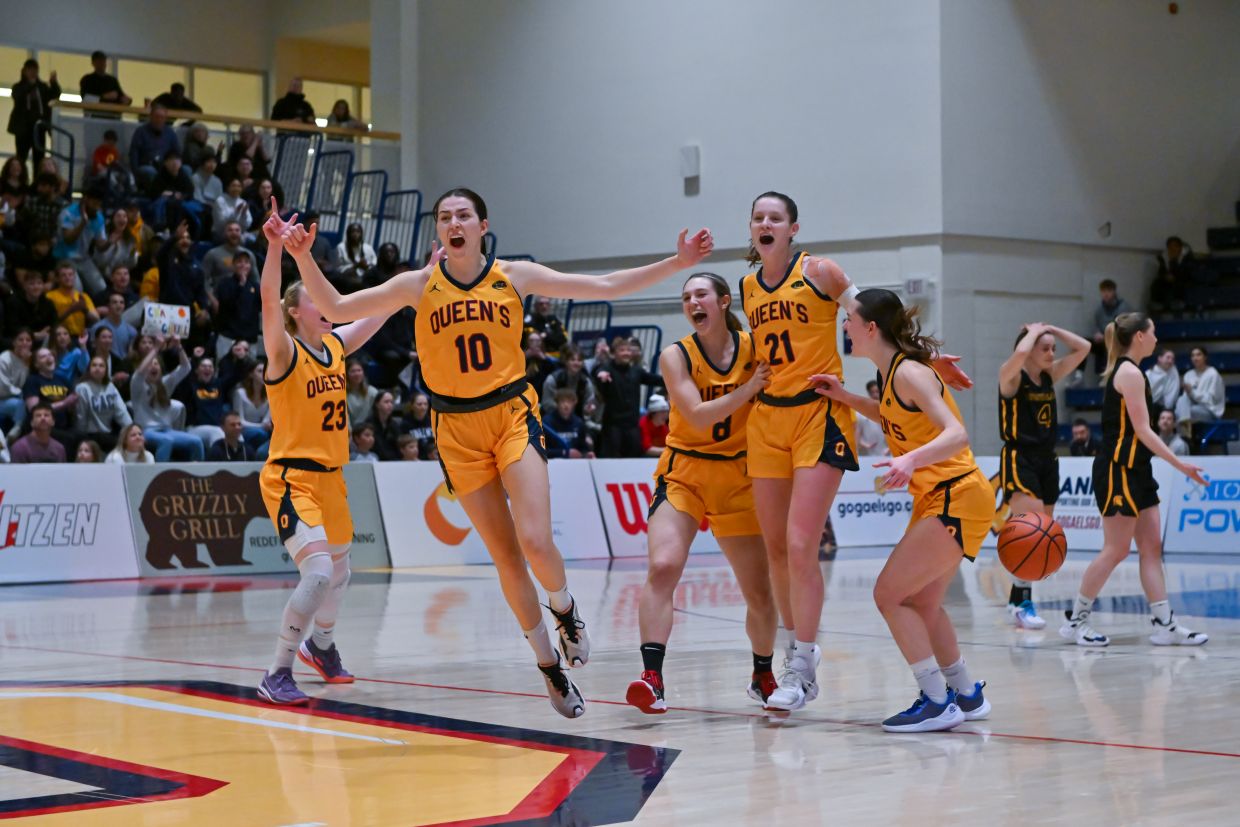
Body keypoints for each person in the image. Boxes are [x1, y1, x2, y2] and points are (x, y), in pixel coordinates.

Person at [286, 186, 714, 718]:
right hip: (455, 430)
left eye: (463, 214)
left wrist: (679, 262)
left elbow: (602, 283)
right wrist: (302, 255)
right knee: (506, 558)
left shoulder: (514, 276)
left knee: (535, 541)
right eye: (444, 217)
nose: (453, 222)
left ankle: (565, 609)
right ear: (438, 231)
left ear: (482, 226)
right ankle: (548, 668)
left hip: (511, 414)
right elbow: (336, 306)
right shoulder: (418, 285)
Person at [739, 192, 969, 713]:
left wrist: (927, 357)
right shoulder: (747, 286)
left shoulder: (821, 272)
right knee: (776, 548)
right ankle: (793, 658)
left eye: (776, 217)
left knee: (802, 544)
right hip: (766, 418)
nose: (766, 223)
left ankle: (802, 667)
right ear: (751, 230)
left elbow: (875, 318)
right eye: (758, 218)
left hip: (817, 413)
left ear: (794, 228)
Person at [812, 288, 992, 732]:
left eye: (849, 319)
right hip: (944, 496)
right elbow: (892, 415)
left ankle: (935, 699)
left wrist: (910, 460)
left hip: (956, 493)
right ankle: (966, 695)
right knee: (924, 604)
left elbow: (957, 435)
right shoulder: (895, 373)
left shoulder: (910, 372)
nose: (844, 326)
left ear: (871, 328)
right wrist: (845, 396)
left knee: (888, 595)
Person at [253, 200, 399, 706]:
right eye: (313, 298)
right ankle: (276, 671)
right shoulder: (285, 351)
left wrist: (421, 278)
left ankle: (323, 647)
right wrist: (276, 250)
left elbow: (377, 315)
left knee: (341, 572)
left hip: (333, 476)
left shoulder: (335, 348)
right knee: (316, 572)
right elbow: (269, 300)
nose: (324, 301)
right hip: (291, 477)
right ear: (298, 312)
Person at [626, 272, 780, 714]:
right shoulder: (675, 355)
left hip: (741, 474)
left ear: (723, 301)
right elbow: (693, 416)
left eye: (701, 294)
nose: (692, 302)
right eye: (686, 297)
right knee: (662, 566)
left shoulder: (756, 345)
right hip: (685, 472)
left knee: (759, 592)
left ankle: (762, 673)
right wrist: (750, 388)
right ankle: (652, 678)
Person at [1060, 312, 1208, 648]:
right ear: (1140, 336)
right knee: (1115, 549)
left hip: (1137, 470)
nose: (1157, 337)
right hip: (1117, 469)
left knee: (1152, 548)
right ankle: (1076, 621)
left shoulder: (1133, 371)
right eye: (1153, 331)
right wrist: (1180, 465)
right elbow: (1143, 431)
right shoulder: (1129, 373)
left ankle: (1165, 625)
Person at [997, 322, 1091, 629]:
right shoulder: (1010, 377)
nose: (1052, 353)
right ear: (1029, 348)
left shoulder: (1049, 376)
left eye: (1053, 349)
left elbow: (1084, 348)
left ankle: (1015, 599)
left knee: (1042, 533)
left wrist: (1052, 329)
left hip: (1048, 459)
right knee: (1032, 528)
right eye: (1045, 348)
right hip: (1019, 456)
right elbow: (1020, 351)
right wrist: (1033, 333)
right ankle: (1024, 603)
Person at [130, 335, 202, 462]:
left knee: (196, 442)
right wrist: (156, 347)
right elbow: (140, 371)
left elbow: (186, 368)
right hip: (146, 430)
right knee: (166, 441)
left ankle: (198, 475)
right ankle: (161, 478)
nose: (153, 366)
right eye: (150, 364)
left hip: (166, 429)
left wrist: (179, 346)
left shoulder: (165, 383)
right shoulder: (137, 384)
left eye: (156, 364)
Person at [593, 336, 663, 457]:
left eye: (628, 350)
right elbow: (598, 373)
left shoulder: (636, 370)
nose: (626, 353)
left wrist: (674, 377)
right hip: (613, 426)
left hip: (632, 425)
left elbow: (654, 379)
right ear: (614, 354)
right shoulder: (607, 368)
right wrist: (601, 376)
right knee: (612, 458)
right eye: (622, 350)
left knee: (634, 456)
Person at [53, 184, 109, 295]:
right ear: (86, 199)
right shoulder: (68, 213)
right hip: (64, 257)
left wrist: (111, 241)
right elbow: (68, 240)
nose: (96, 208)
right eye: (94, 203)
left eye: (99, 204)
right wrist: (83, 223)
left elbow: (100, 245)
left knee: (101, 288)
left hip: (84, 258)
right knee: (77, 289)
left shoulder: (99, 217)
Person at [7, 60, 59, 168]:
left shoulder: (42, 87)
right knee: (21, 157)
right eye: (30, 70)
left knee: (39, 159)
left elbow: (54, 95)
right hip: (23, 129)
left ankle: (37, 182)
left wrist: (54, 83)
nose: (33, 73)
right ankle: (21, 180)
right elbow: (18, 96)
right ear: (24, 71)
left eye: (35, 70)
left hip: (39, 128)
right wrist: (30, 85)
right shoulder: (18, 86)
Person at [74, 354, 130, 454]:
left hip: (108, 433)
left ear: (106, 370)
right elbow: (81, 416)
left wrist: (131, 431)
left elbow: (121, 412)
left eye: (101, 366)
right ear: (89, 369)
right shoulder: (82, 388)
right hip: (89, 435)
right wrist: (82, 440)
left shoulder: (110, 386)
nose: (97, 368)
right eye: (94, 365)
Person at [1174, 346, 1226, 436]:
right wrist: (1188, 393)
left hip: (1210, 411)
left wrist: (1192, 392)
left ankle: (1183, 438)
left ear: (1205, 357)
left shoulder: (1213, 374)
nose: (1195, 358)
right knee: (1181, 402)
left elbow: (1210, 400)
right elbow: (1186, 399)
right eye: (1193, 355)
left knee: (1183, 412)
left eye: (1198, 355)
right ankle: (1184, 437)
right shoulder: (1188, 374)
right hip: (1191, 408)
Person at [128, 104, 180, 189]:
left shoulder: (170, 133)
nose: (159, 120)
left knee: (186, 169)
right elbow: (133, 153)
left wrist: (174, 164)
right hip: (146, 166)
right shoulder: (141, 131)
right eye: (157, 116)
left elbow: (177, 152)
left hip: (166, 167)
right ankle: (160, 195)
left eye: (162, 117)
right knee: (150, 171)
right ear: (151, 117)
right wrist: (135, 172)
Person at [540, 344, 594, 418]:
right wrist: (565, 410)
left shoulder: (586, 382)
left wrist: (587, 409)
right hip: (552, 419)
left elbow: (588, 404)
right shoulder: (553, 379)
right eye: (572, 360)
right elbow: (546, 403)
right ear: (566, 362)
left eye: (579, 360)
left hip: (577, 420)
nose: (576, 363)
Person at [1089, 279, 1131, 375]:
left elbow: (1122, 328)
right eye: (1103, 291)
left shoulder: (1123, 307)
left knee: (1110, 345)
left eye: (1109, 291)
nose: (1106, 294)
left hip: (1118, 340)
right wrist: (1097, 333)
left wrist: (1105, 336)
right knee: (1084, 343)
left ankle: (1109, 375)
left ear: (1114, 292)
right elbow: (1095, 326)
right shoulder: (1099, 309)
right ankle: (1079, 375)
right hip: (1103, 340)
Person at [542, 389, 594, 459]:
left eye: (569, 402)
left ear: (574, 403)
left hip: (574, 464)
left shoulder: (578, 423)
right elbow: (541, 450)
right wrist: (564, 453)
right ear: (557, 403)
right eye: (562, 401)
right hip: (552, 463)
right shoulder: (546, 423)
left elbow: (583, 447)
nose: (566, 405)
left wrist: (587, 454)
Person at [0, 328, 33, 438]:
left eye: (28, 340)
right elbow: (3, 388)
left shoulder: (29, 359)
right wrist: (22, 394)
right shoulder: (4, 358)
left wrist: (26, 363)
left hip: (15, 399)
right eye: (20, 340)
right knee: (22, 403)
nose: (24, 343)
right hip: (2, 399)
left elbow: (26, 383)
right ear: (14, 342)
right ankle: (17, 429)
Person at [335, 223, 376, 290]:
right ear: (348, 234)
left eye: (358, 232)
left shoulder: (368, 248)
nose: (355, 234)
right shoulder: (341, 247)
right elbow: (338, 269)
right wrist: (356, 266)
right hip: (347, 281)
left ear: (361, 234)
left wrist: (367, 266)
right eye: (352, 231)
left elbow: (374, 265)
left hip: (365, 280)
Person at [367, 389, 404, 461]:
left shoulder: (394, 424)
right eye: (386, 402)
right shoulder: (369, 424)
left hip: (395, 461)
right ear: (377, 404)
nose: (390, 405)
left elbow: (400, 444)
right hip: (376, 461)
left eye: (391, 402)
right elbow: (376, 448)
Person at [855, 380, 888, 456]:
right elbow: (857, 434)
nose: (875, 395)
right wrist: (865, 445)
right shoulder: (861, 413)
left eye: (877, 392)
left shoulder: (890, 411)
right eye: (872, 392)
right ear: (869, 393)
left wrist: (889, 449)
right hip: (868, 454)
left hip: (888, 453)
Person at [1145, 347, 1180, 414]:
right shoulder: (1149, 374)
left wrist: (1167, 408)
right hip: (1150, 406)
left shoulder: (1173, 371)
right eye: (1168, 357)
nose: (1170, 361)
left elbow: (1173, 392)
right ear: (1160, 358)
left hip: (1167, 408)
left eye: (1172, 359)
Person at [344, 358, 377, 426]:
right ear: (347, 374)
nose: (357, 374)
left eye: (359, 370)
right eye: (353, 371)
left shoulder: (372, 392)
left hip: (368, 431)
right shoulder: (342, 393)